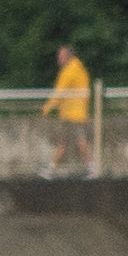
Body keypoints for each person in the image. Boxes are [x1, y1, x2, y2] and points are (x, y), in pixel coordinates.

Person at [46, 42, 87, 174]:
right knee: (64, 143)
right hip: (72, 112)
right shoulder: (78, 68)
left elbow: (59, 92)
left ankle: (92, 169)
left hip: (73, 114)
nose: (59, 59)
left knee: (77, 142)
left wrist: (47, 108)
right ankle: (51, 169)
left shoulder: (70, 71)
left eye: (61, 56)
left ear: (68, 57)